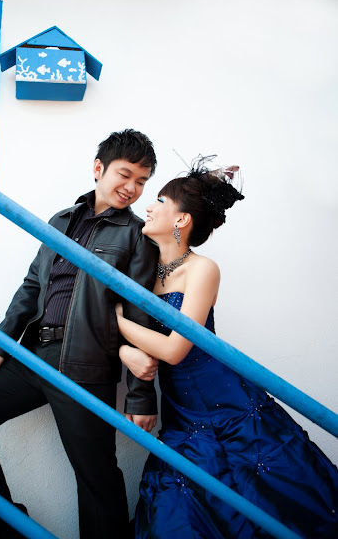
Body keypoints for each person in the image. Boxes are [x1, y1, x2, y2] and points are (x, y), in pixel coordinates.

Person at [0, 129, 160, 539]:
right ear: (99, 168)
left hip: (85, 363)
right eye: (125, 175)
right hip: (32, 355)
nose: (132, 188)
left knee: (96, 475)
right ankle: (7, 526)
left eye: (142, 181)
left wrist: (141, 394)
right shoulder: (61, 221)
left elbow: (139, 313)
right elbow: (32, 287)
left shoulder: (135, 235)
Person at [117, 156, 338, 539]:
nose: (148, 207)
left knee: (271, 498)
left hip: (225, 399)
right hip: (180, 409)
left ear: (182, 219)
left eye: (160, 201)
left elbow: (174, 349)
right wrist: (123, 348)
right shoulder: (144, 271)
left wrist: (116, 321)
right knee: (178, 506)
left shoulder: (202, 268)